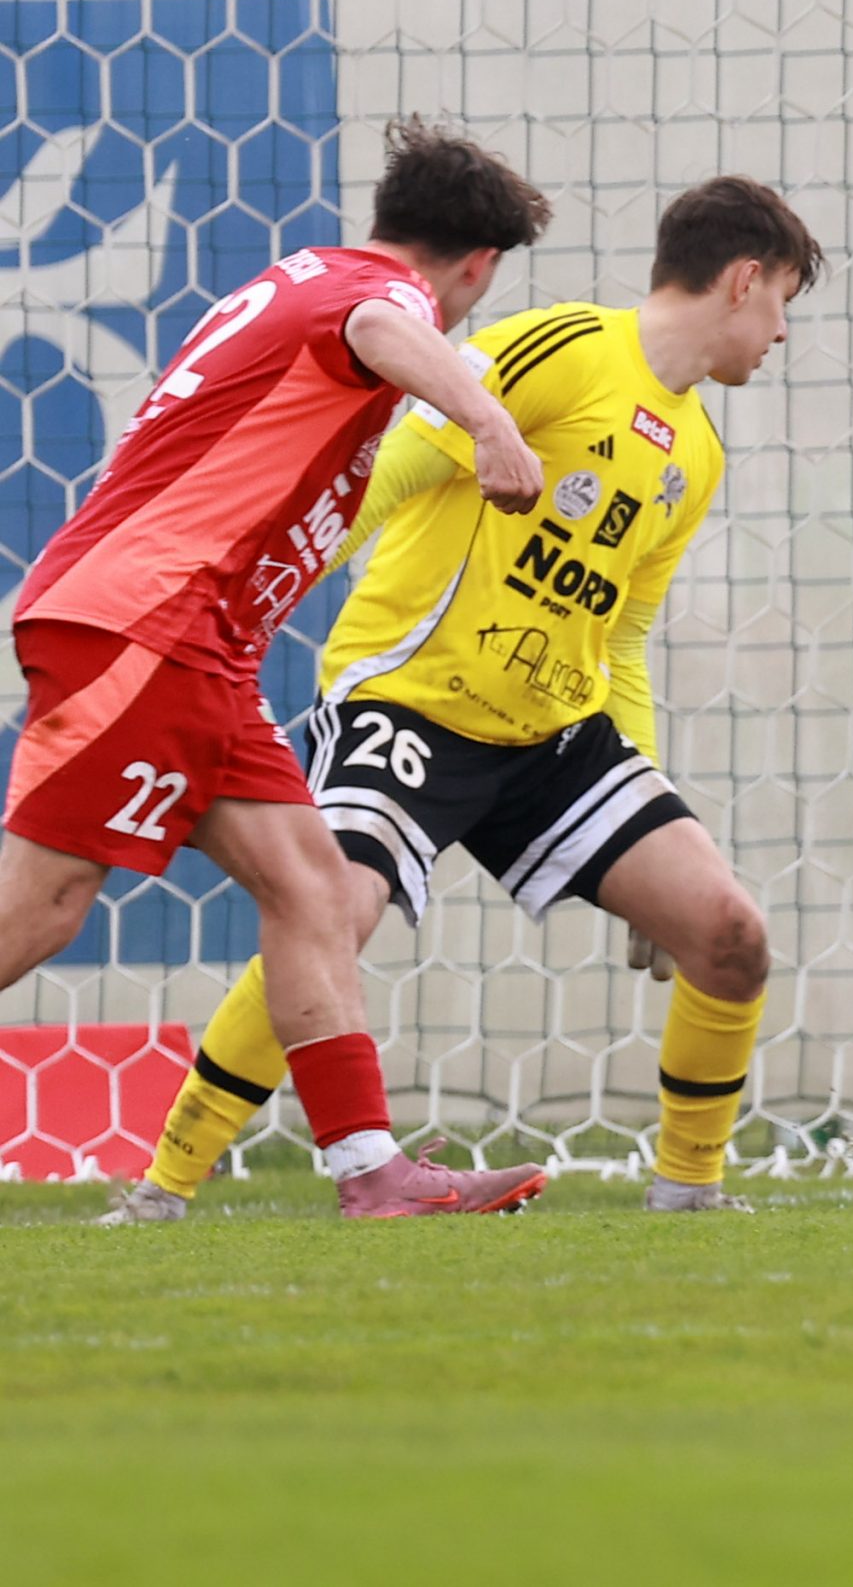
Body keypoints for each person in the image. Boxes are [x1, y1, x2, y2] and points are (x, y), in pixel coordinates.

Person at [101, 178, 825, 1223]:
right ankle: (163, 1190)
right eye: (784, 302)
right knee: (331, 916)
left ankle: (690, 1193)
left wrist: (647, 789)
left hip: (553, 736)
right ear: (744, 281)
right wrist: (250, 612)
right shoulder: (560, 348)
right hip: (408, 702)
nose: (782, 333)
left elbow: (621, 635)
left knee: (729, 931)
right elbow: (387, 473)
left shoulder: (697, 454)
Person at [5, 117, 555, 1217]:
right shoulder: (374, 296)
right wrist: (491, 422)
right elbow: (380, 325)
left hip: (196, 645)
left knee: (314, 890)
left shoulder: (301, 278)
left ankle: (373, 1172)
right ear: (478, 265)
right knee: (47, 902)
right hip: (151, 623)